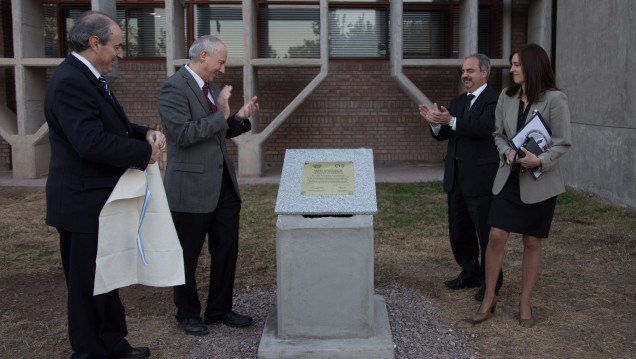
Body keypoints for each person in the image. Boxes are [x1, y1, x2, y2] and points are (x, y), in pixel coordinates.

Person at [44, 11, 164, 359]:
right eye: (117, 46)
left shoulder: (88, 77)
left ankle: (113, 343)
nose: (120, 54)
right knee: (86, 285)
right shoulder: (70, 81)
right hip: (82, 206)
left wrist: (144, 132)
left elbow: (113, 125)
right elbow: (90, 142)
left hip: (99, 203)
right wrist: (145, 152)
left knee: (106, 277)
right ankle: (89, 352)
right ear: (94, 43)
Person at [157, 35, 259, 336]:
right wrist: (221, 115)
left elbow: (217, 130)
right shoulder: (173, 88)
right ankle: (186, 312)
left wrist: (237, 118)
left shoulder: (210, 89)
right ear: (204, 55)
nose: (223, 69)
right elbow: (182, 134)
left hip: (223, 186)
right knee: (187, 255)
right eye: (221, 62)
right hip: (189, 188)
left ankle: (219, 309)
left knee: (226, 249)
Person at [470, 44, 572, 328]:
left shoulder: (555, 99)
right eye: (512, 64)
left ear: (532, 66)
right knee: (497, 236)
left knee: (532, 241)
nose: (512, 69)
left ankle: (525, 302)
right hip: (509, 178)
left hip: (539, 181)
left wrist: (538, 161)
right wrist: (506, 151)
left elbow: (563, 142)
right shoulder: (507, 95)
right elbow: (498, 134)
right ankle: (489, 297)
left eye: (516, 64)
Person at [419, 53, 503, 301]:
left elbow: (482, 128)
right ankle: (469, 272)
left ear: (484, 73)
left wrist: (451, 121)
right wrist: (435, 123)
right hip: (455, 178)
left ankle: (491, 282)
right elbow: (445, 132)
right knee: (459, 231)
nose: (465, 75)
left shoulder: (494, 101)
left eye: (470, 71)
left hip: (480, 180)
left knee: (485, 232)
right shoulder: (457, 101)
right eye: (463, 71)